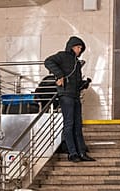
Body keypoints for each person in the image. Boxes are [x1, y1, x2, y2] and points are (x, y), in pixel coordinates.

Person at [44, 35, 95, 163]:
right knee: (69, 124)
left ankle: (81, 152)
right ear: (72, 47)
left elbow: (75, 81)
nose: (79, 50)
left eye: (81, 48)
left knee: (77, 125)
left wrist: (82, 84)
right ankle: (72, 153)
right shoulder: (62, 56)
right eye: (78, 47)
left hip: (75, 95)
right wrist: (59, 75)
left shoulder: (77, 64)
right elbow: (48, 61)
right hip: (66, 95)